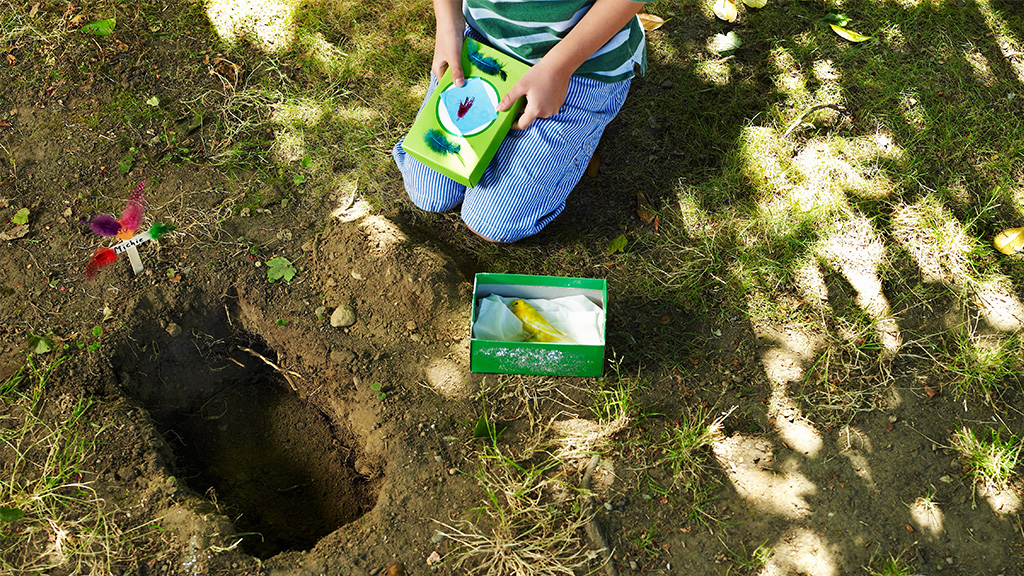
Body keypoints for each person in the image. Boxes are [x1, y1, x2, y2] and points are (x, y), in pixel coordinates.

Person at [393, 0, 648, 242]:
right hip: (486, 43)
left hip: (583, 64)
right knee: (428, 194)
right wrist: (448, 24)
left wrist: (558, 68)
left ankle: (581, 129)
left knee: (493, 222)